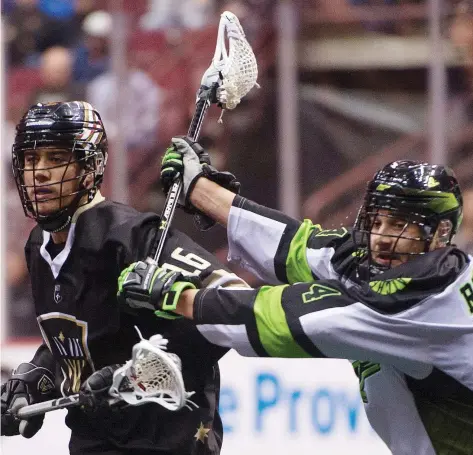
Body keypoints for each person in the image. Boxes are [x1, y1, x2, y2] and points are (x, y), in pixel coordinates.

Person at [118, 137, 473, 455]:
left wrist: (177, 297)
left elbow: (285, 320)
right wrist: (200, 190)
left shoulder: (419, 299)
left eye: (398, 226)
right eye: (377, 222)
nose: (380, 238)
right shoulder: (419, 272)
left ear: (440, 232)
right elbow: (301, 248)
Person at [0, 105, 247, 455]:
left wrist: (136, 375)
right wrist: (38, 375)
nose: (38, 172)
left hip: (166, 444)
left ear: (89, 169)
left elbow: (236, 301)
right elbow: (84, 338)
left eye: (55, 158)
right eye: (30, 159)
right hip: (95, 444)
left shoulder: (130, 236)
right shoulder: (38, 246)